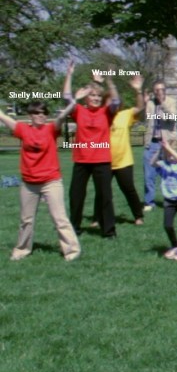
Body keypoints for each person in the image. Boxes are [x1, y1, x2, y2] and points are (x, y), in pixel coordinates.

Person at [1, 98, 82, 261]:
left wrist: (73, 103)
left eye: (44, 112)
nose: (40, 115)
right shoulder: (23, 130)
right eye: (36, 113)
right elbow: (3, 117)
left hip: (51, 181)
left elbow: (60, 118)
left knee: (59, 218)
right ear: (30, 115)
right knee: (26, 220)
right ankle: (22, 249)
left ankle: (72, 251)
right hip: (29, 183)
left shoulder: (51, 129)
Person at [63, 63, 119, 238]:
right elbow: (66, 98)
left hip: (101, 160)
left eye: (98, 96)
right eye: (92, 95)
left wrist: (109, 81)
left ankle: (108, 231)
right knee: (76, 196)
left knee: (105, 197)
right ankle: (75, 228)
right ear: (86, 98)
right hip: (81, 160)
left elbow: (116, 101)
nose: (95, 98)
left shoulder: (106, 113)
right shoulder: (79, 111)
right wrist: (69, 74)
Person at [94, 75, 146, 227]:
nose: (112, 103)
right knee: (102, 192)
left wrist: (138, 91)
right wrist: (97, 83)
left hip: (123, 161)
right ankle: (97, 218)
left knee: (128, 189)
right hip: (104, 161)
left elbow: (140, 107)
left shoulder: (125, 114)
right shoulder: (101, 116)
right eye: (109, 100)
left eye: (114, 100)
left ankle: (138, 216)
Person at [142, 79, 177, 212]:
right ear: (154, 91)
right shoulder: (150, 104)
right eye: (157, 90)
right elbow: (144, 119)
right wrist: (144, 103)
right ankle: (149, 202)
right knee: (148, 175)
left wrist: (163, 104)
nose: (160, 92)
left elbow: (173, 117)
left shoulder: (171, 102)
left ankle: (172, 200)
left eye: (162, 89)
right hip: (152, 143)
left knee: (170, 174)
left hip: (169, 144)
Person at [154, 140, 177, 260]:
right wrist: (161, 149)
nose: (170, 157)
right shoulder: (164, 164)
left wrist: (169, 149)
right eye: (168, 154)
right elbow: (152, 163)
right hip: (169, 201)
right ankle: (176, 245)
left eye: (173, 154)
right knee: (167, 225)